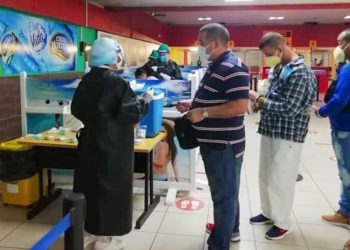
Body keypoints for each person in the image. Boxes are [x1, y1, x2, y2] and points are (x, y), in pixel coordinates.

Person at [71, 38, 151, 250]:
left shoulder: (86, 81)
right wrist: (146, 101)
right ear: (113, 57)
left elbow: (76, 110)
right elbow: (131, 113)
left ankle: (88, 229)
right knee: (111, 190)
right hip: (113, 146)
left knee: (90, 187)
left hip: (89, 143)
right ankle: (105, 238)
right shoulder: (117, 83)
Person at [177, 23, 249, 250]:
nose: (199, 47)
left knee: (223, 196)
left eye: (200, 43)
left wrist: (204, 112)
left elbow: (239, 105)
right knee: (228, 190)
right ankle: (231, 229)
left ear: (215, 43)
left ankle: (219, 244)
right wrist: (193, 105)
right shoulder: (215, 66)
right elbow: (216, 97)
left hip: (224, 144)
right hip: (212, 142)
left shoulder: (234, 67)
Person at [249, 32, 317, 240]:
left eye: (269, 54)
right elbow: (272, 93)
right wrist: (260, 100)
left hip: (288, 134)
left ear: (281, 48)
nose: (268, 59)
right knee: (266, 174)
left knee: (282, 177)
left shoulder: (301, 73)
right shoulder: (278, 68)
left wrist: (259, 100)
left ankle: (283, 222)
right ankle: (269, 212)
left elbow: (290, 108)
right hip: (270, 129)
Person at [313, 29, 350, 237]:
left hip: (345, 127)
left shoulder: (348, 69)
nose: (338, 49)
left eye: (342, 44)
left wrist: (321, 111)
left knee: (346, 171)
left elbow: (340, 99)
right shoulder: (344, 67)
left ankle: (345, 212)